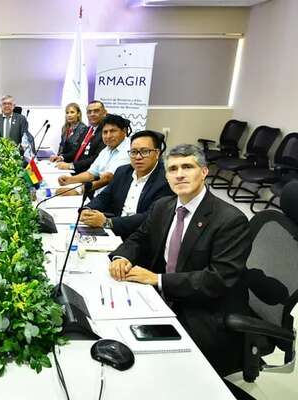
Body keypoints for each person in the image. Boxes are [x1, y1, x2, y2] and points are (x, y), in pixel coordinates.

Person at [109, 144, 250, 375]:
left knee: (159, 368)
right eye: (173, 169)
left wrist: (158, 279)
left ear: (204, 171)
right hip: (162, 296)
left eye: (188, 167)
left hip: (202, 308)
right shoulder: (163, 206)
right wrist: (122, 256)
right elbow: (140, 238)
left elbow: (218, 280)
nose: (180, 174)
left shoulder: (230, 220)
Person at [80, 130, 173, 239]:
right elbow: (104, 197)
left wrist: (107, 222)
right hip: (113, 232)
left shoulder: (166, 179)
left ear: (157, 153)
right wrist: (88, 209)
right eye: (133, 152)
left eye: (145, 151)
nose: (138, 157)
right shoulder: (122, 171)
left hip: (141, 237)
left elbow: (149, 217)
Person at [57, 114, 131, 194]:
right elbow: (91, 173)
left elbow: (107, 178)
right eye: (105, 132)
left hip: (114, 199)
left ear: (124, 131)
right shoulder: (106, 149)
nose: (108, 136)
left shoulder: (129, 149)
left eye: (113, 131)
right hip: (99, 195)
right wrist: (69, 180)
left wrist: (77, 191)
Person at [55, 100, 107, 173]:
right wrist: (61, 157)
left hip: (87, 173)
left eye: (96, 111)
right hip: (75, 169)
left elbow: (95, 158)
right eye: (89, 112)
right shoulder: (88, 130)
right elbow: (76, 150)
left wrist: (71, 165)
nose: (92, 114)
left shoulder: (106, 132)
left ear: (104, 113)